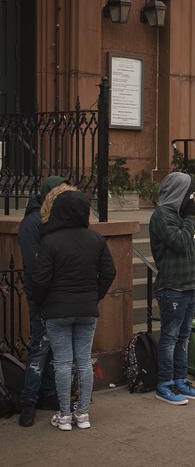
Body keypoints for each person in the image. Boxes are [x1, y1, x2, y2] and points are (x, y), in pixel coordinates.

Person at [30, 186, 116, 431]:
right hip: (87, 309)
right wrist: (93, 296)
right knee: (84, 360)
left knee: (63, 363)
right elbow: (109, 272)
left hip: (56, 311)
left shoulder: (50, 241)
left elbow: (40, 280)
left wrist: (41, 302)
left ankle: (65, 415)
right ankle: (84, 414)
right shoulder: (96, 239)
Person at [149, 172, 195, 404]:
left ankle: (181, 380)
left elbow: (189, 245)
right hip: (172, 287)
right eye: (189, 193)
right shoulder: (162, 216)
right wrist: (191, 218)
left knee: (183, 337)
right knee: (170, 337)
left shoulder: (178, 215)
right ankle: (165, 384)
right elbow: (180, 242)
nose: (191, 198)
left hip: (189, 285)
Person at [17, 175, 67, 427]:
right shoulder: (33, 222)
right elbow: (36, 264)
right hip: (42, 295)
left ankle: (47, 394)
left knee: (51, 348)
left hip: (55, 294)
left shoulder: (51, 219)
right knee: (40, 347)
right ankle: (29, 401)